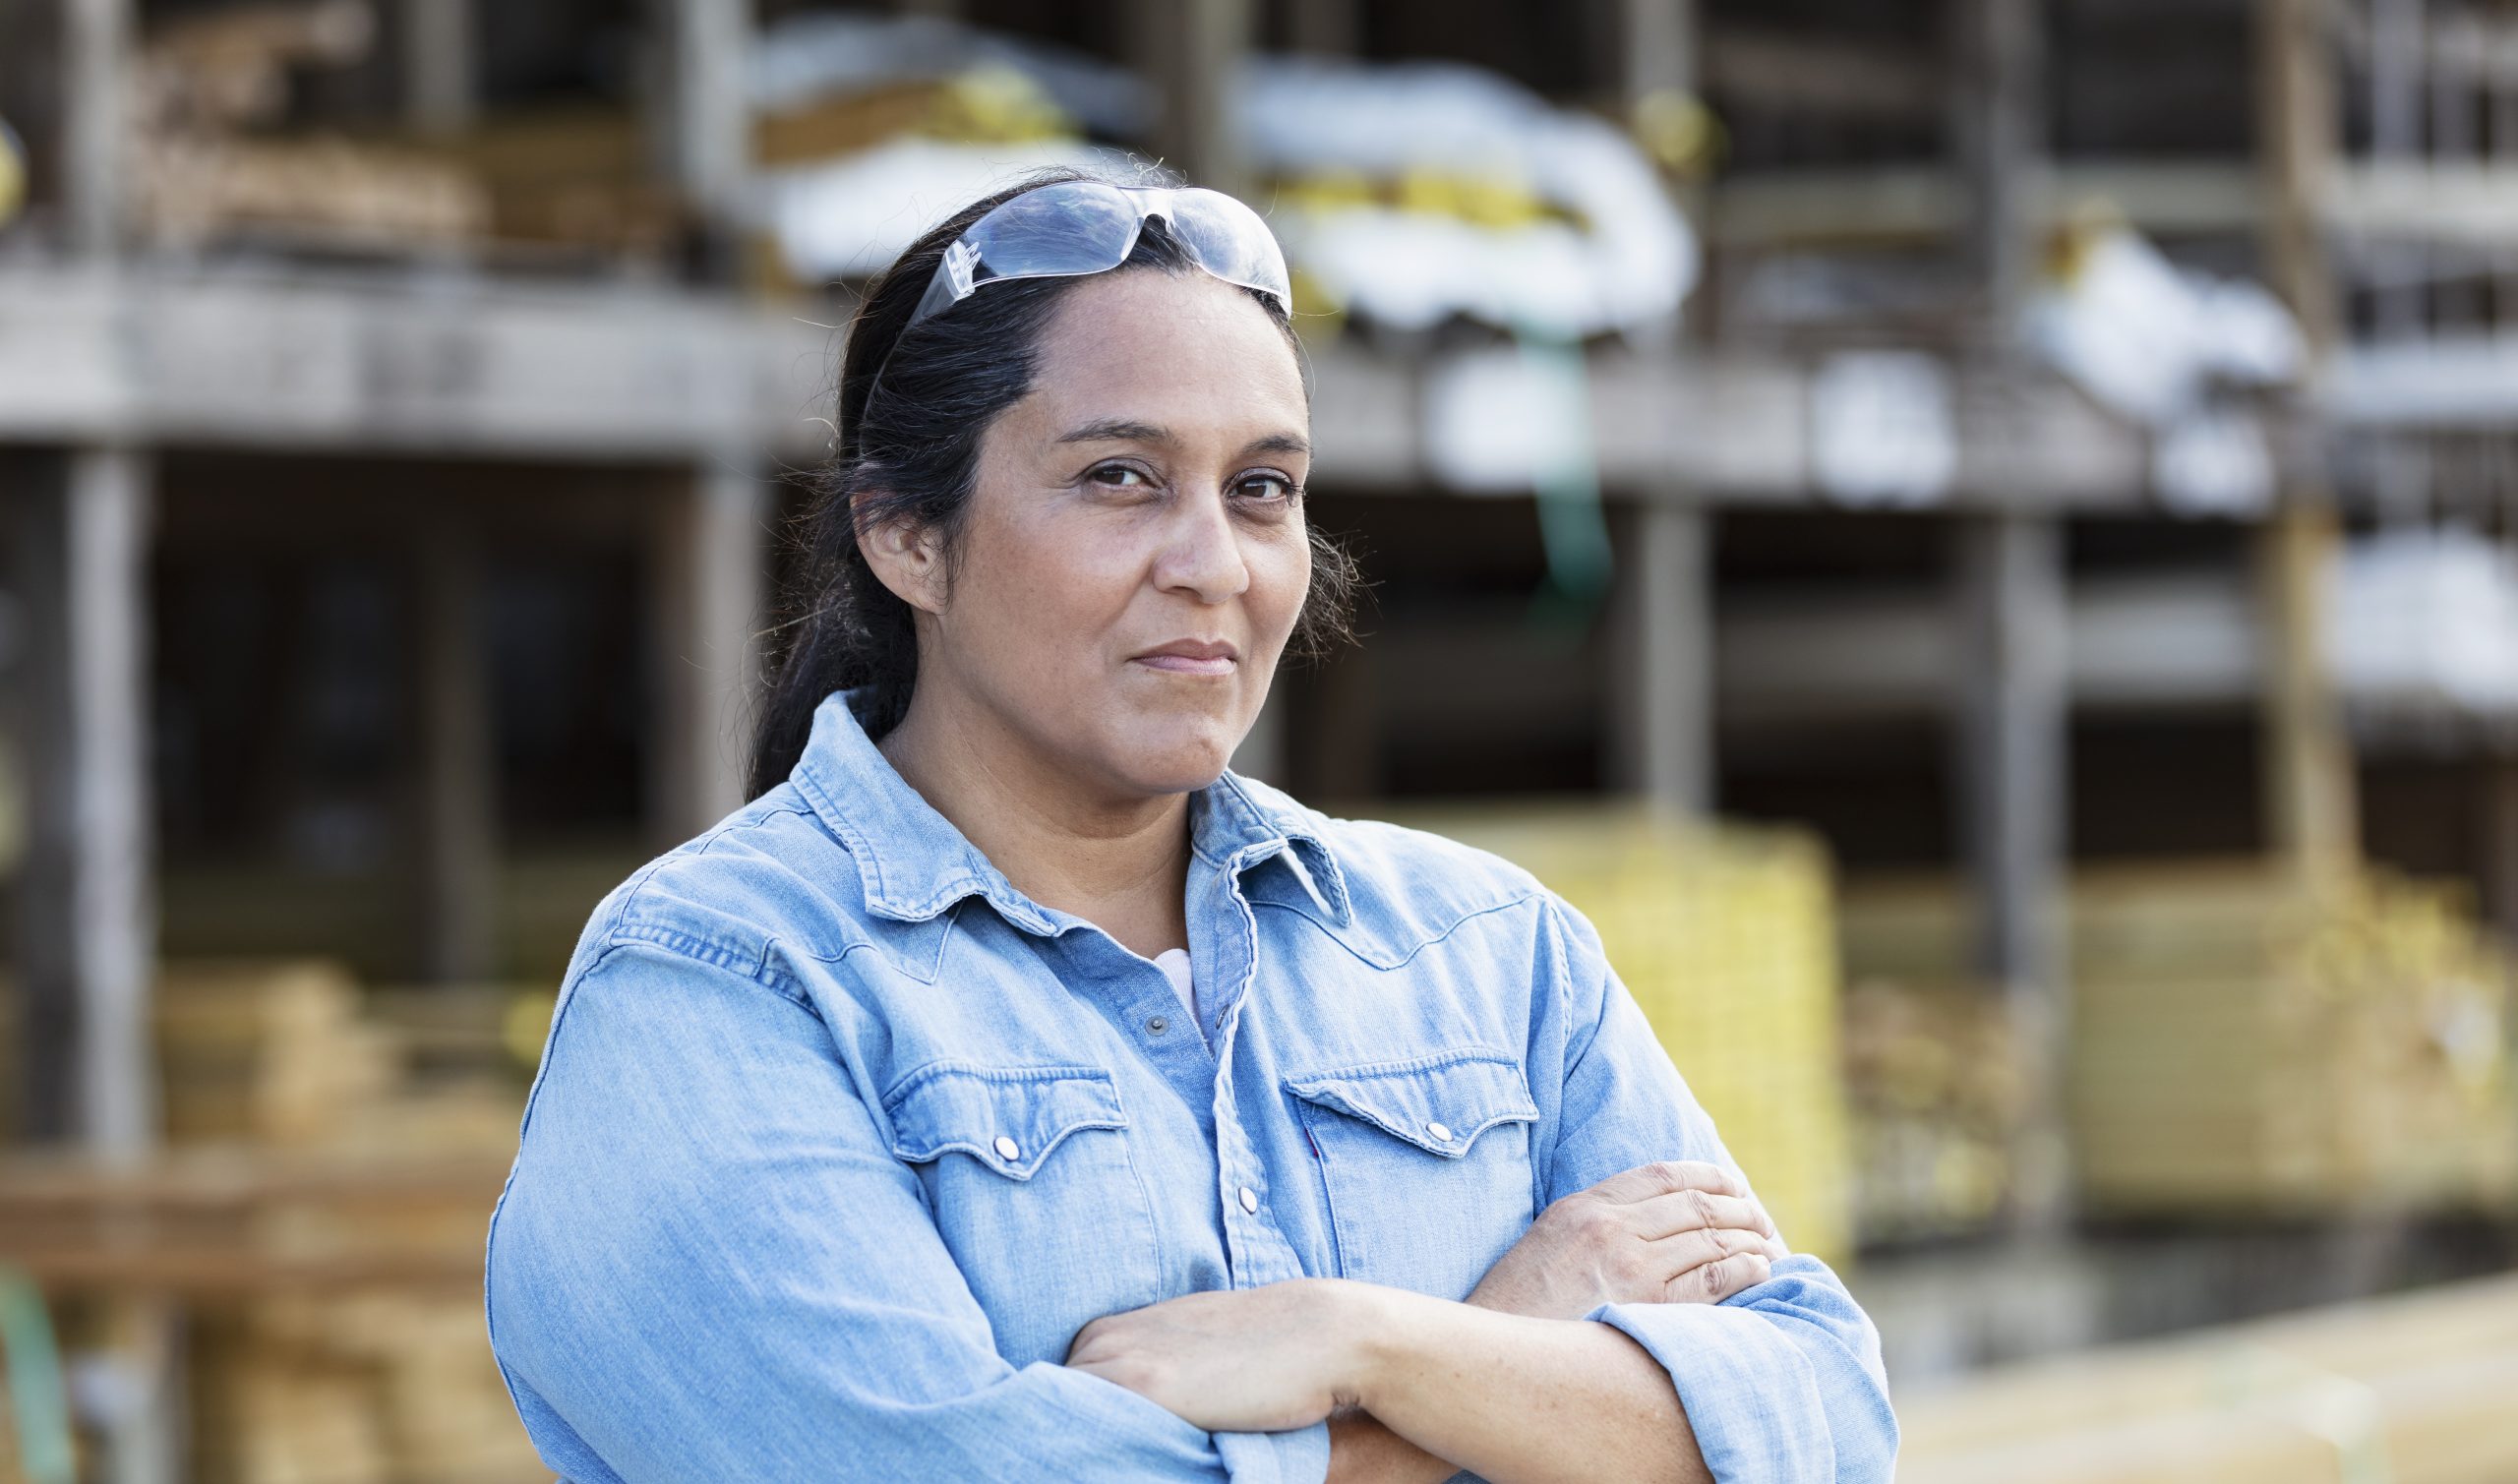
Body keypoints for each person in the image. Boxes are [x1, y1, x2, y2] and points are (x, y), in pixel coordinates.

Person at [483, 165, 1897, 1483]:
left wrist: (1373, 1338)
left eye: (1261, 489)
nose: (1212, 564)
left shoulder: (1488, 950)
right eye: (1120, 477)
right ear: (905, 536)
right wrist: (1514, 1341)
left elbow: (1820, 1421)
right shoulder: (722, 987)